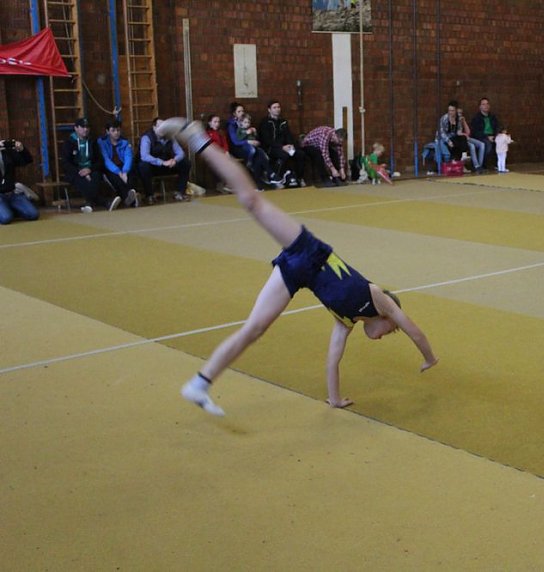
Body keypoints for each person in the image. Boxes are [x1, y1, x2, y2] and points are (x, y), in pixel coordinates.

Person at [152, 117, 438, 416]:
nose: (386, 335)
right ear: (389, 313)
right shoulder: (378, 297)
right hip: (309, 251)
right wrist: (429, 358)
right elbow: (415, 332)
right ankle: (197, 138)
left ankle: (200, 382)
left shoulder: (347, 321)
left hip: (296, 273)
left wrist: (335, 398)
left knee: (255, 328)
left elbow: (332, 360)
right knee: (252, 200)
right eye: (392, 331)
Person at [60, 117, 119, 213]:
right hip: (75, 171)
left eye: (87, 127)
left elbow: (99, 161)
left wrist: (89, 170)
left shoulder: (93, 142)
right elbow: (66, 163)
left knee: (96, 177)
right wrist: (80, 171)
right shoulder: (69, 143)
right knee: (81, 181)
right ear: (76, 128)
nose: (85, 129)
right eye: (82, 127)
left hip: (90, 169)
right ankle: (104, 202)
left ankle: (89, 203)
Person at [226, 102, 279, 190]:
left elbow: (252, 136)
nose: (242, 113)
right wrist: (248, 142)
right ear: (234, 114)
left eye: (242, 111)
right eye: (239, 111)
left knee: (258, 154)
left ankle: (264, 178)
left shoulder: (246, 121)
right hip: (237, 148)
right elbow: (235, 141)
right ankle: (267, 175)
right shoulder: (232, 125)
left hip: (249, 147)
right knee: (257, 154)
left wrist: (255, 139)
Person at [138, 117, 192, 204]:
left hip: (168, 165)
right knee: (143, 166)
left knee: (186, 163)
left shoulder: (170, 137)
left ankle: (180, 192)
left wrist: (174, 160)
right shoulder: (146, 138)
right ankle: (149, 195)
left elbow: (181, 153)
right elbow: (144, 156)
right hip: (154, 167)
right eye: (160, 126)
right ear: (154, 128)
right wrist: (161, 162)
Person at [258, 99, 307, 187]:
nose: (277, 109)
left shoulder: (283, 122)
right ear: (269, 110)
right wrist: (281, 147)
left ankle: (299, 178)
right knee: (284, 155)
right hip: (271, 148)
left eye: (278, 107)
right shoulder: (265, 122)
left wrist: (291, 145)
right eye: (274, 107)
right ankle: (276, 179)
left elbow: (288, 135)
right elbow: (266, 140)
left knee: (301, 154)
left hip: (285, 147)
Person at [97, 119, 138, 208]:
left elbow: (128, 157)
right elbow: (106, 160)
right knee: (116, 179)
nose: (116, 133)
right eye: (113, 130)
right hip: (111, 167)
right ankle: (130, 199)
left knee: (130, 176)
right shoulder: (102, 142)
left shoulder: (125, 142)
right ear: (108, 131)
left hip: (123, 167)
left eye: (118, 130)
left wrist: (125, 171)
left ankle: (129, 197)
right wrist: (119, 172)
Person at [0, 137, 39, 224]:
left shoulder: (7, 152)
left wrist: (22, 150)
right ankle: (7, 210)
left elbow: (27, 160)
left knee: (33, 214)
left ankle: (11, 208)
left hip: (12, 193)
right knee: (6, 218)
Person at [470, 97, 500, 170]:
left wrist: (496, 135)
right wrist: (487, 137)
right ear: (480, 107)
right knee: (488, 145)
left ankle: (499, 164)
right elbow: (475, 132)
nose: (486, 106)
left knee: (501, 142)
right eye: (483, 104)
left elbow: (497, 126)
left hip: (492, 136)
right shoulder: (476, 118)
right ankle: (483, 164)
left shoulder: (493, 117)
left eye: (487, 104)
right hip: (482, 137)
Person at [458, 108, 484, 173]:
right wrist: (464, 135)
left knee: (482, 144)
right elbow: (456, 133)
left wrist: (464, 122)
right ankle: (476, 166)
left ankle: (479, 165)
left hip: (466, 138)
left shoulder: (461, 120)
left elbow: (468, 132)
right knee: (472, 146)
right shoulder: (454, 121)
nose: (460, 115)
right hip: (461, 140)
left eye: (461, 113)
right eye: (458, 113)